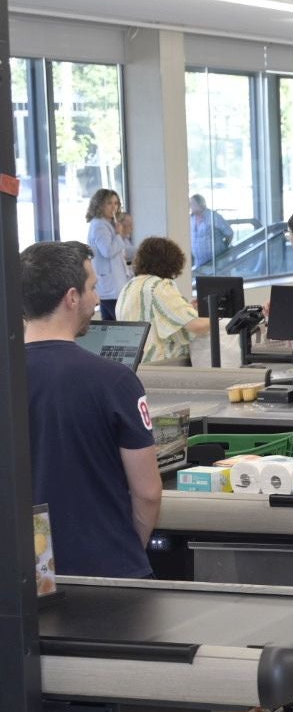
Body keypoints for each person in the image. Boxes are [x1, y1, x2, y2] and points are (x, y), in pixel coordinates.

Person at [21, 240, 160, 579]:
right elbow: (148, 492)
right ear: (72, 298)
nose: (97, 299)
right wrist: (128, 552)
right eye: (93, 288)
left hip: (28, 581)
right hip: (107, 574)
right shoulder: (115, 381)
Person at [116, 237, 213, 365]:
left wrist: (187, 308)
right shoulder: (158, 287)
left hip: (134, 364)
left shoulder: (129, 287)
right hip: (161, 364)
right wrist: (222, 319)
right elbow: (197, 326)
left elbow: (155, 316)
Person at [86, 189, 132, 320]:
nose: (114, 207)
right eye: (109, 203)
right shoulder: (99, 226)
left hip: (111, 286)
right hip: (110, 287)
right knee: (120, 323)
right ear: (100, 205)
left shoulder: (107, 224)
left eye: (116, 203)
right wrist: (119, 234)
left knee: (109, 323)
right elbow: (108, 251)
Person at [189, 194, 232, 269]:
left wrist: (222, 248)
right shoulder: (191, 219)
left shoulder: (213, 216)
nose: (190, 206)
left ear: (200, 204)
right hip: (199, 264)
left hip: (217, 263)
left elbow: (229, 233)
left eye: (192, 204)